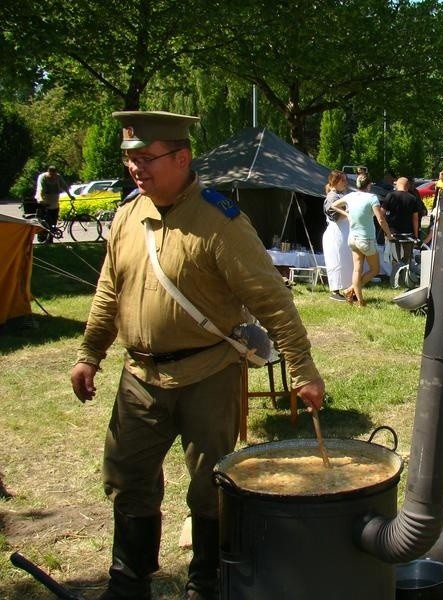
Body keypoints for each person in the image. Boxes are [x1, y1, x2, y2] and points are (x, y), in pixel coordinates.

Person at [69, 110, 325, 599]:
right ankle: (128, 582)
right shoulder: (128, 215)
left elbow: (272, 298)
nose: (136, 169)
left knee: (212, 484)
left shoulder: (219, 221)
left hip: (208, 373)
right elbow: (108, 291)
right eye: (130, 160)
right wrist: (90, 354)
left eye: (147, 158)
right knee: (126, 477)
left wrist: (302, 369)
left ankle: (206, 582)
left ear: (182, 157)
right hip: (139, 377)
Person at [331, 173, 394, 307]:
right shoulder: (372, 198)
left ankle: (359, 301)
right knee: (375, 269)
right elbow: (381, 219)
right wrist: (389, 235)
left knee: (357, 269)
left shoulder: (350, 196)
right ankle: (350, 290)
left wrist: (347, 213)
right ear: (369, 185)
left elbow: (334, 205)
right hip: (367, 239)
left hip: (352, 238)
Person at [322, 170, 353, 302]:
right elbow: (335, 216)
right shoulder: (332, 197)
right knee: (336, 262)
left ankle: (348, 289)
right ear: (335, 182)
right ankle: (335, 291)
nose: (345, 183)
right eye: (343, 180)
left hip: (343, 233)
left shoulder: (340, 195)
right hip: (336, 234)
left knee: (345, 262)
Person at [382, 176, 420, 264]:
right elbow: (415, 219)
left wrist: (385, 230)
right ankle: (405, 276)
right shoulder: (413, 198)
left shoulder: (390, 196)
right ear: (408, 186)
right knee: (407, 260)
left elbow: (381, 213)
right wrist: (416, 235)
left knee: (394, 259)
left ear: (397, 185)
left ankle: (395, 275)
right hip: (408, 234)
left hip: (392, 233)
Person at [35, 165, 74, 243]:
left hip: (55, 202)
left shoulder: (58, 177)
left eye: (54, 174)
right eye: (51, 175)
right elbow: (41, 189)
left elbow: (64, 186)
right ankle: (43, 238)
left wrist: (70, 195)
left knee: (53, 222)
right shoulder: (43, 177)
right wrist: (41, 199)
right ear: (48, 172)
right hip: (44, 201)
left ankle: (50, 239)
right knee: (45, 222)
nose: (52, 176)